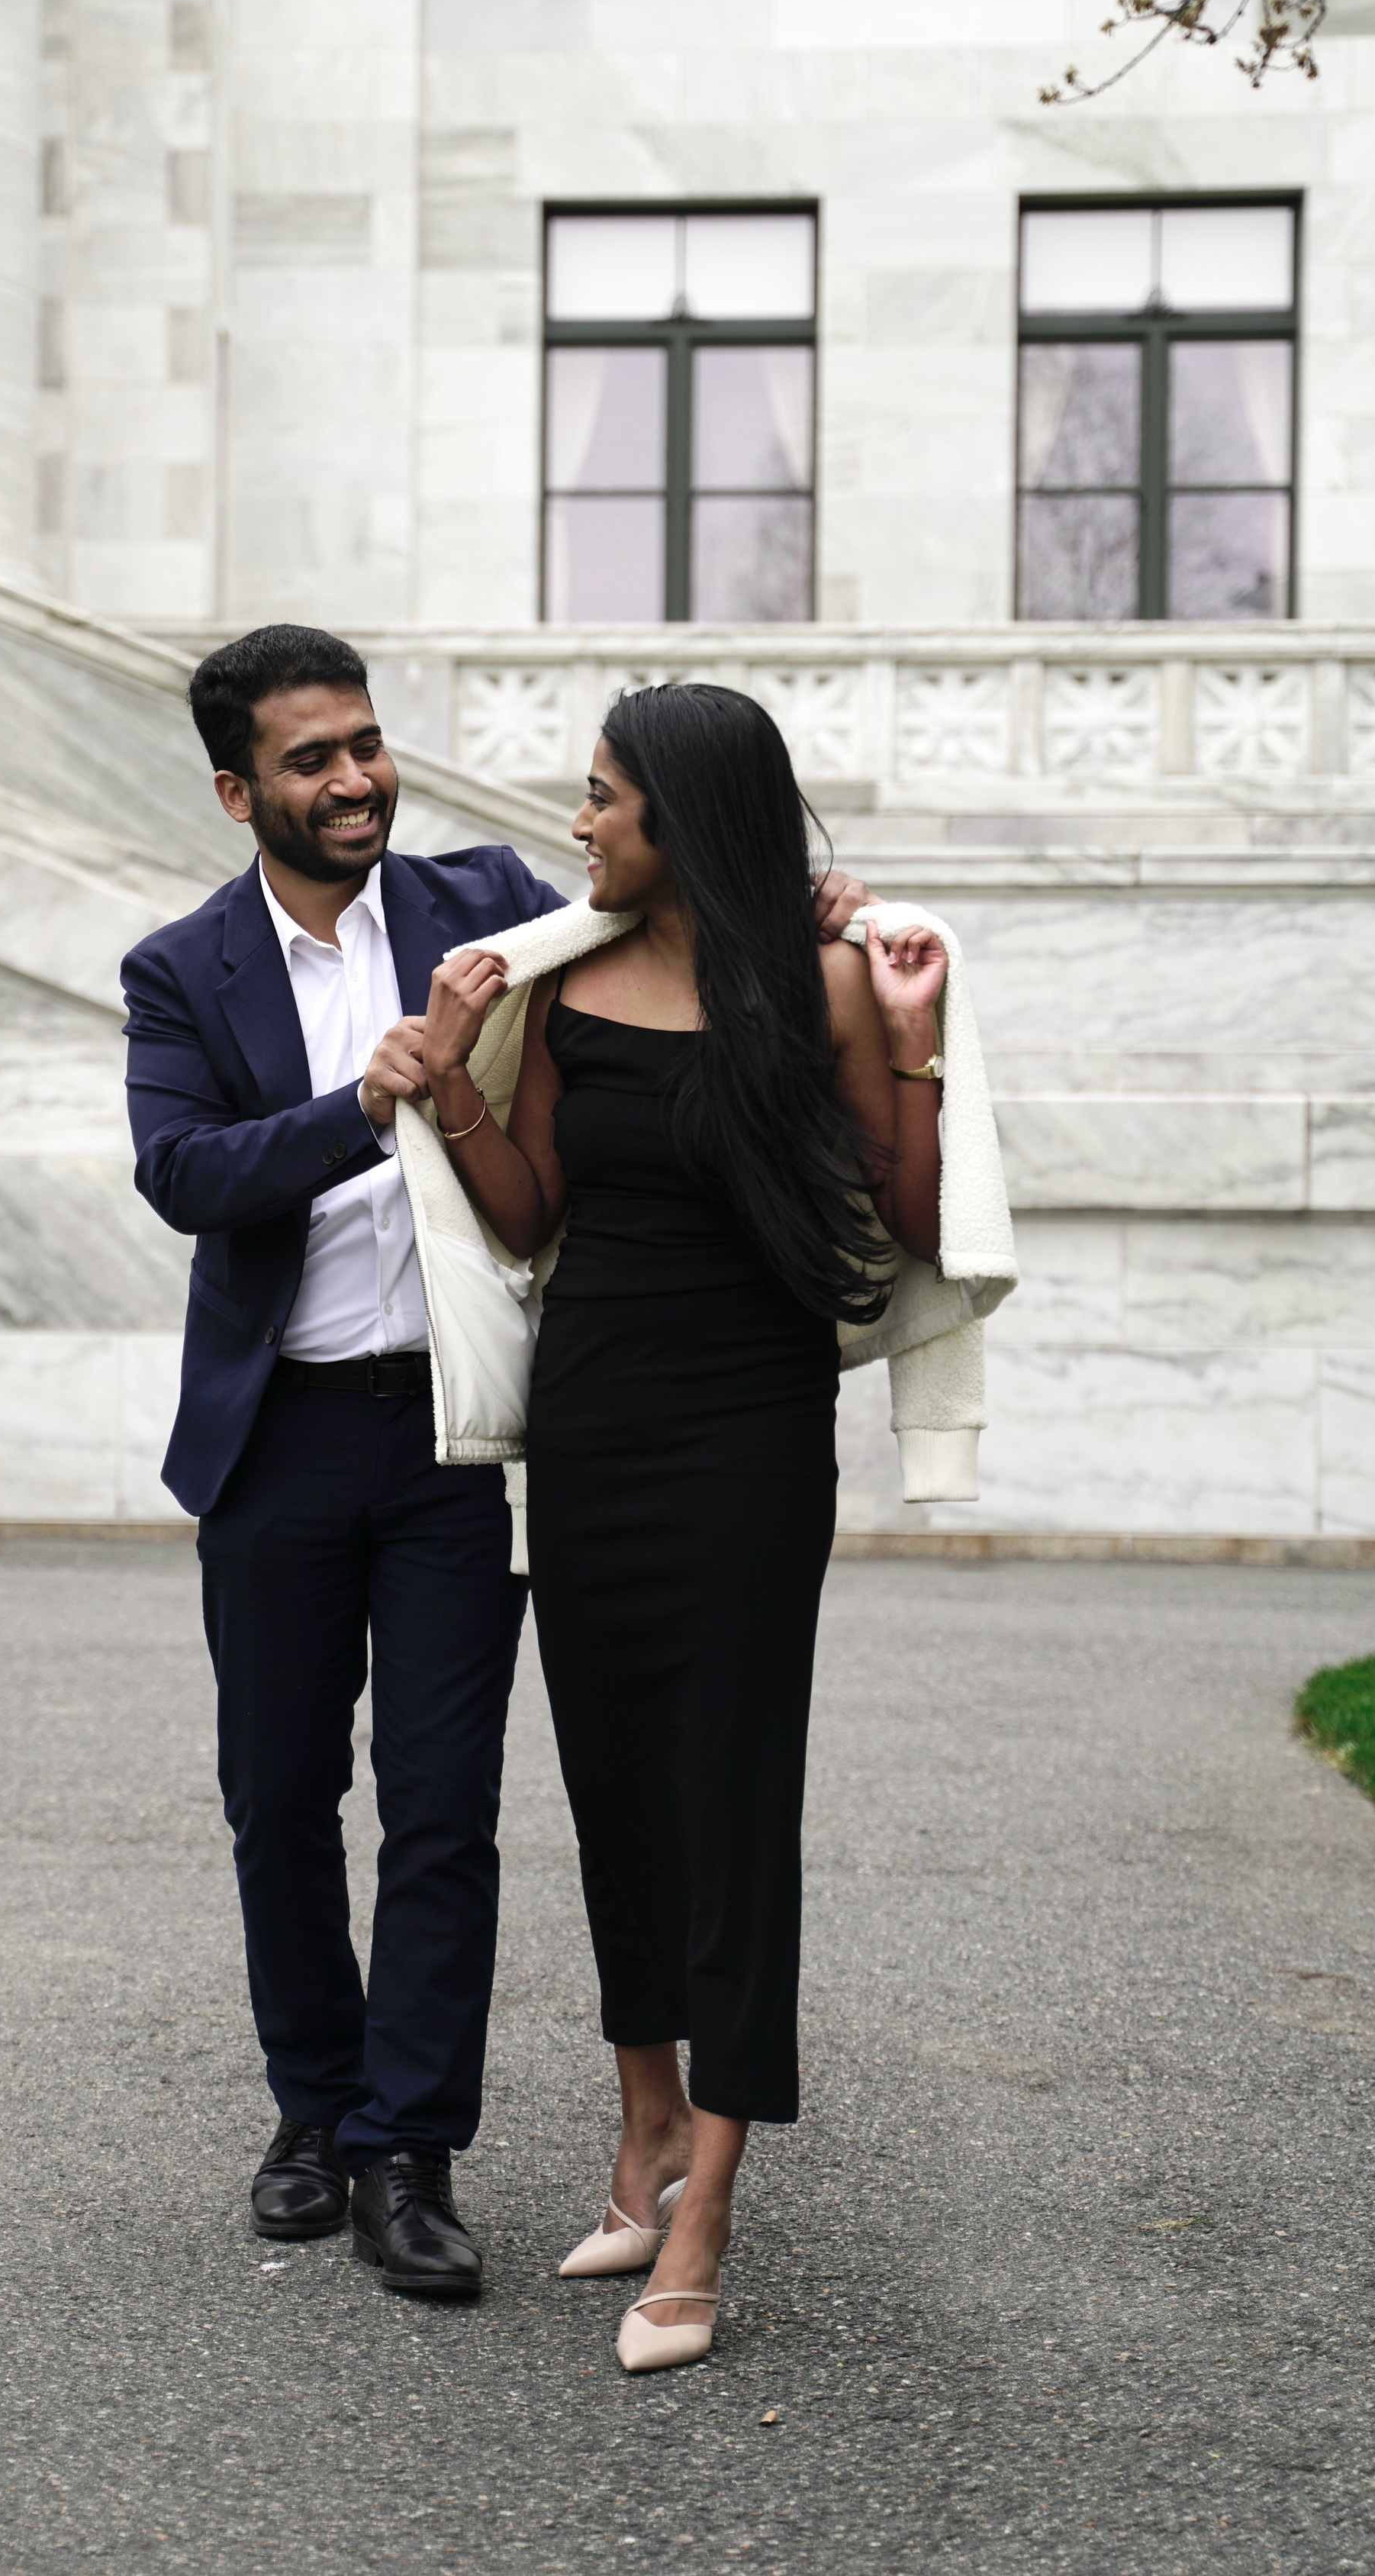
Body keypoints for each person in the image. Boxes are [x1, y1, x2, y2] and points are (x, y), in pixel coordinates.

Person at [122, 631, 876, 2303]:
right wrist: (364, 1093)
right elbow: (178, 1170)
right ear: (239, 790)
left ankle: (409, 2146)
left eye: (366, 746)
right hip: (278, 1438)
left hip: (459, 1427)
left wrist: (805, 915)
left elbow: (672, 902)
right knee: (275, 1796)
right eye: (310, 760)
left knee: (445, 1803)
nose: (354, 780)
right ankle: (310, 2114)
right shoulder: (182, 969)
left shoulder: (489, 899)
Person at [414, 681, 947, 2370]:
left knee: (728, 1795)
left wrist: (916, 1036)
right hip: (590, 1435)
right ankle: (640, 2136)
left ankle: (706, 2199)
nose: (577, 823)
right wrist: (448, 1080)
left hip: (749, 1441)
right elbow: (526, 1219)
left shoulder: (826, 981)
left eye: (602, 799)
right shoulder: (562, 978)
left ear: (685, 814)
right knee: (615, 1787)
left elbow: (907, 1216)